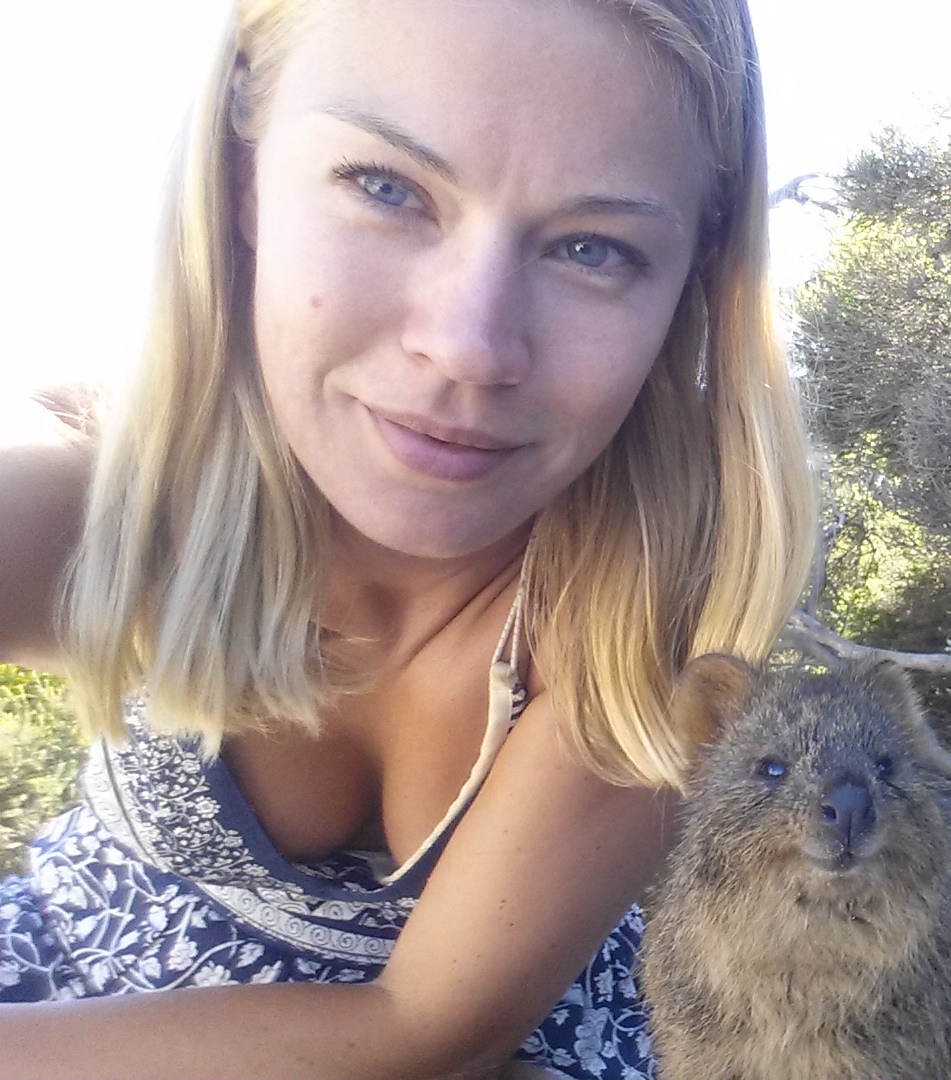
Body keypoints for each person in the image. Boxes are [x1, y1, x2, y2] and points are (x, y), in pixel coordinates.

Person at [0, 0, 813, 1076]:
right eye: (386, 188)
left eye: (593, 248)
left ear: (689, 288)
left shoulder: (645, 609)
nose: (469, 345)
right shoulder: (121, 494)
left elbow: (430, 1035)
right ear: (245, 174)